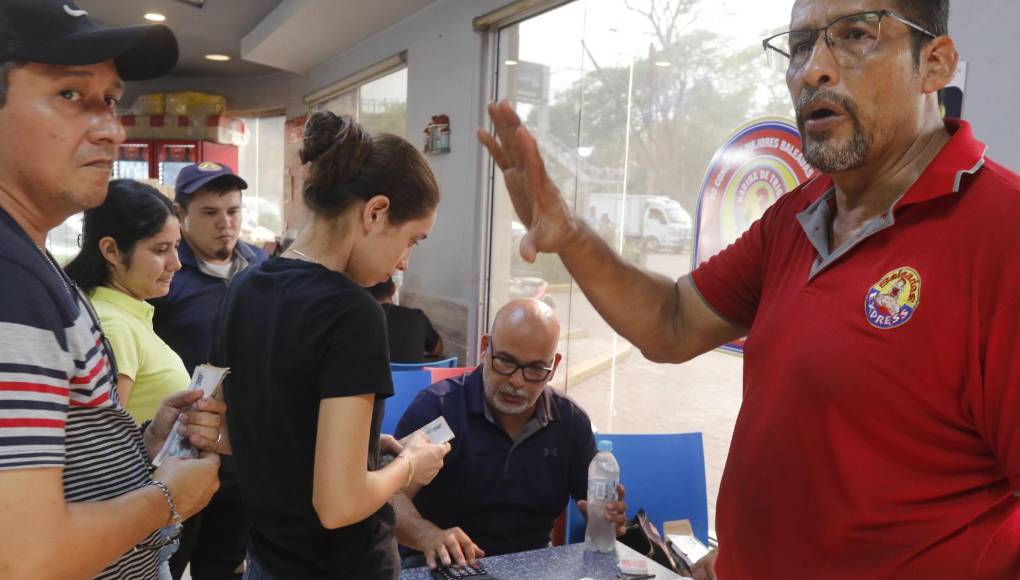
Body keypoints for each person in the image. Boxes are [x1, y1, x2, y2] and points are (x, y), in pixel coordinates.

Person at [478, 0, 1020, 578]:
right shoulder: (798, 215)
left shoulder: (1001, 235)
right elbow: (673, 322)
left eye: (855, 35)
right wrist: (573, 237)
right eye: (800, 46)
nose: (814, 69)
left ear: (934, 64)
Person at [0, 2, 226, 579]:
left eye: (111, 100)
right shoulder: (13, 286)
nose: (111, 127)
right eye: (71, 95)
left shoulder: (31, 264)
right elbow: (26, 558)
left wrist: (145, 441)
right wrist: (169, 497)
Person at [212, 111, 451, 580]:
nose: (403, 262)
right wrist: (409, 466)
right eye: (411, 241)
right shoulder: (352, 312)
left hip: (267, 558)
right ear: (376, 211)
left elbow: (238, 434)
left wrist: (361, 447)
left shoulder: (245, 286)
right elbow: (338, 505)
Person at [392, 299, 627, 569]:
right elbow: (389, 498)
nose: (517, 381)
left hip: (531, 566)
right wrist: (427, 535)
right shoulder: (439, 411)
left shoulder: (570, 422)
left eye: (536, 369)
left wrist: (607, 518)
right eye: (505, 362)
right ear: (484, 348)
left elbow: (598, 504)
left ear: (554, 366)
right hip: (443, 565)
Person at [152, 162, 266, 580]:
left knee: (226, 564)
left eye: (233, 211)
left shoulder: (263, 269)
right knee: (169, 560)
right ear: (182, 214)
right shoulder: (166, 274)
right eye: (210, 212)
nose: (225, 223)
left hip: (243, 447)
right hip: (182, 447)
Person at [65, 179, 188, 425]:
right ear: (112, 251)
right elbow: (105, 439)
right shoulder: (113, 325)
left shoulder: (127, 315)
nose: (176, 263)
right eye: (160, 250)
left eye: (176, 247)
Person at [368, 277, 444, 364]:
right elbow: (437, 350)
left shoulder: (358, 319)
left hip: (377, 376)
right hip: (414, 377)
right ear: (393, 289)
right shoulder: (416, 316)